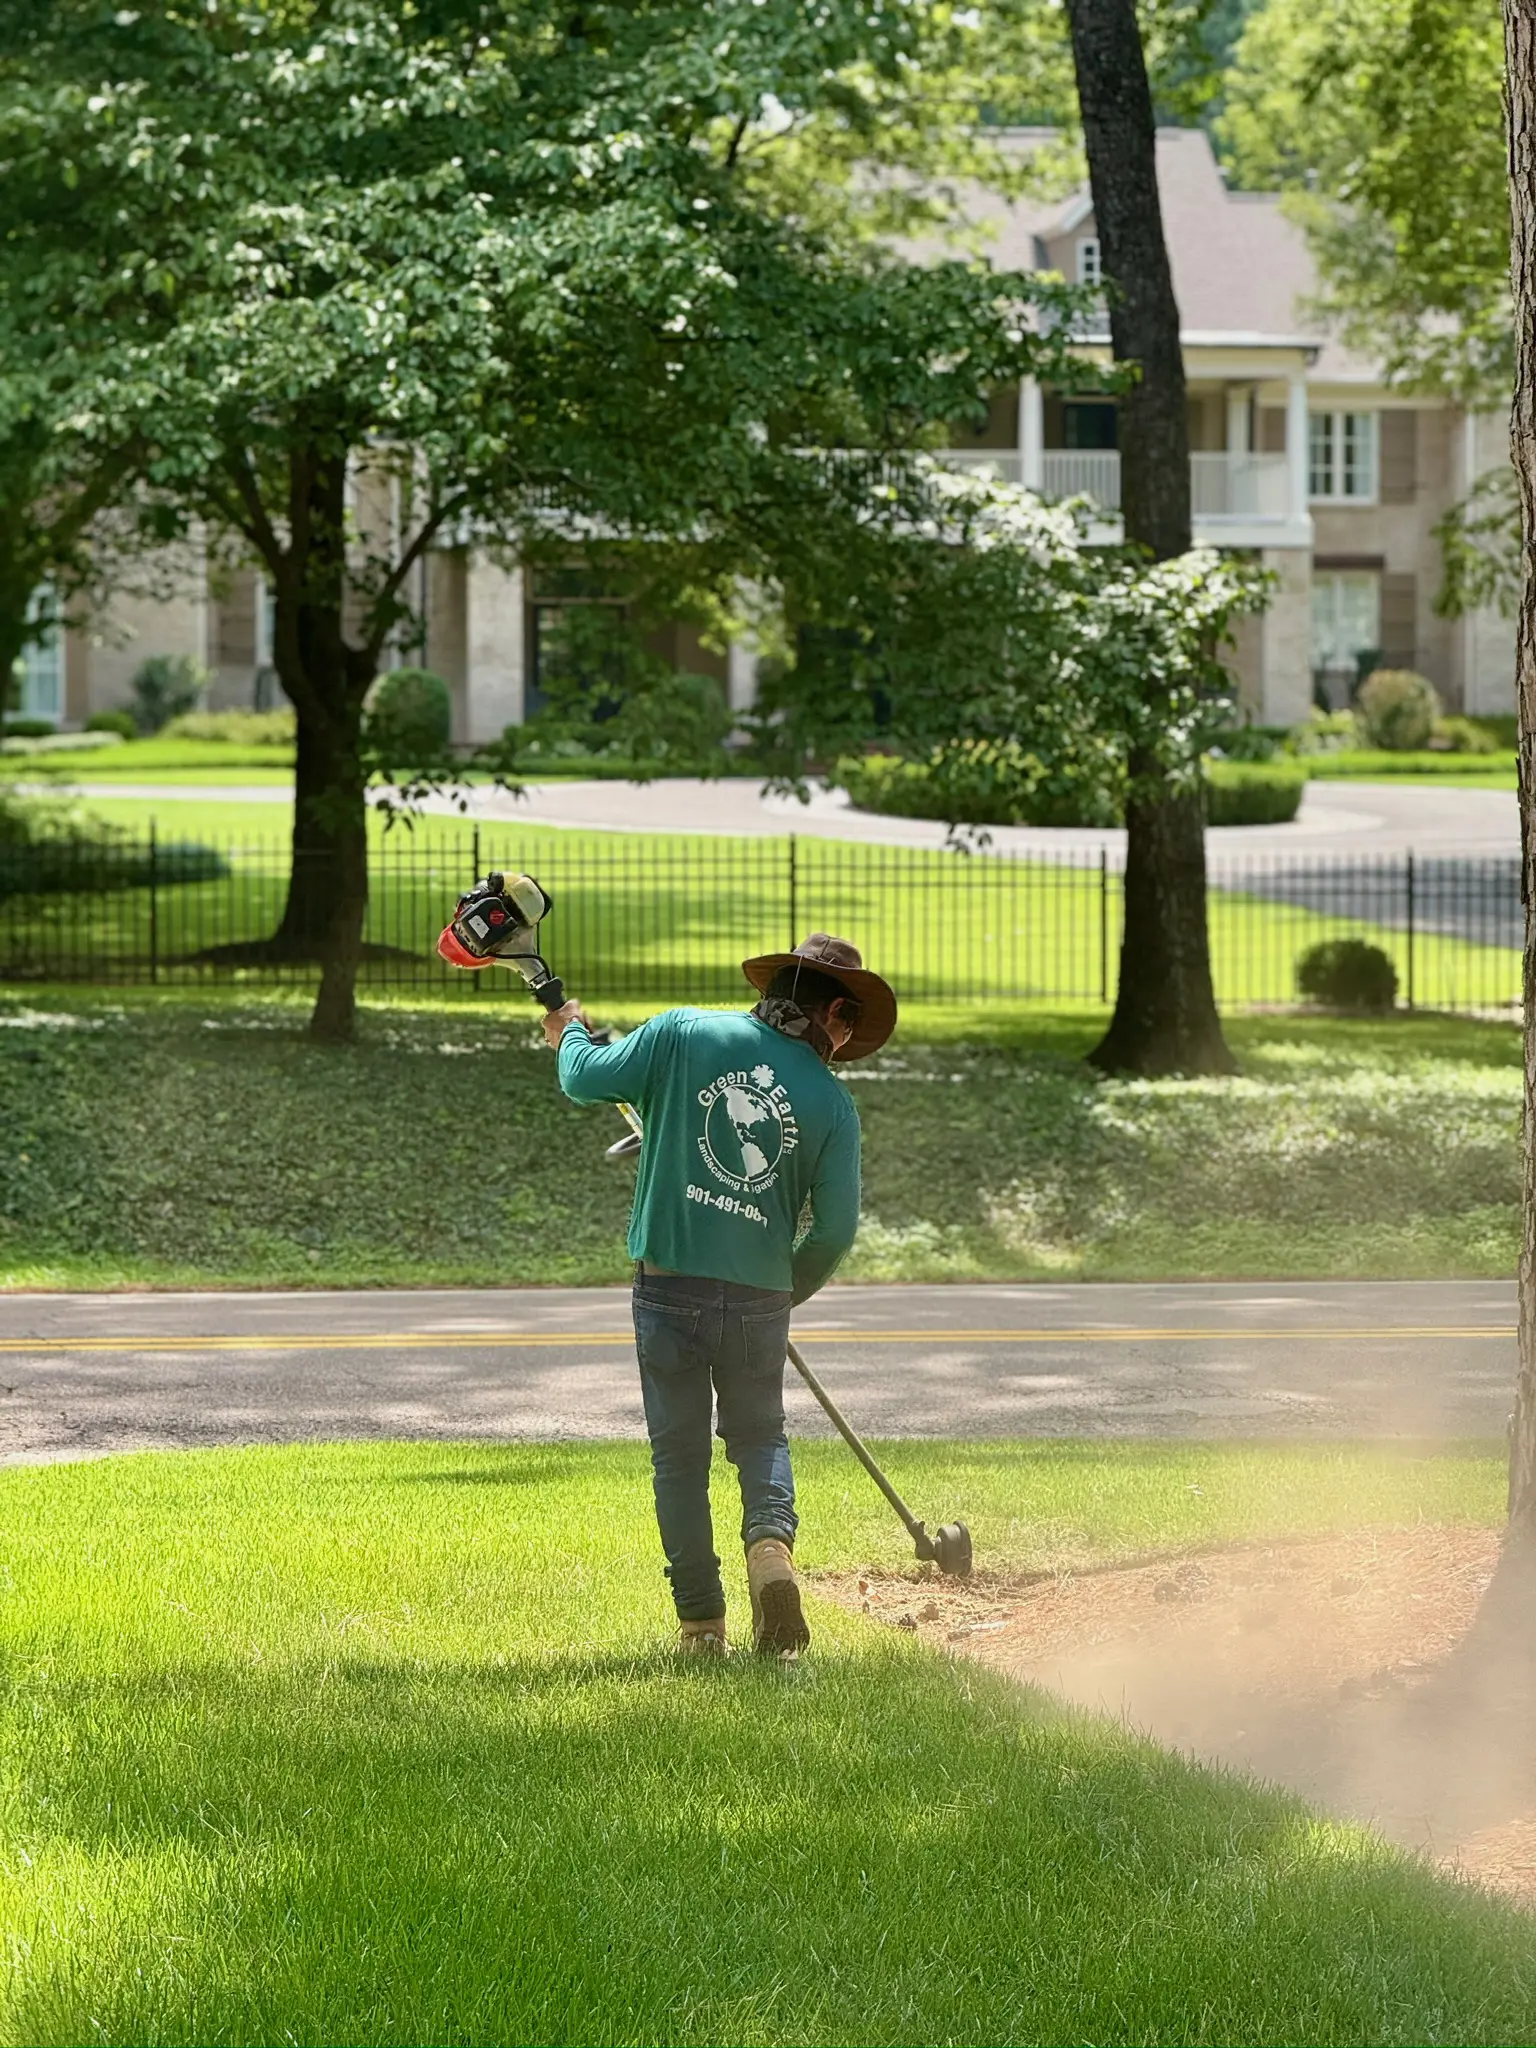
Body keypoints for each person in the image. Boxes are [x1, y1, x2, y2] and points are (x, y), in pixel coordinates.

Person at [542, 934, 897, 1658]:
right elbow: (834, 1231)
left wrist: (566, 1031)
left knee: (678, 1459)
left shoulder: (683, 1032)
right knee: (760, 1437)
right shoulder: (832, 1104)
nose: (847, 1040)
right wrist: (779, 1294)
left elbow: (582, 1079)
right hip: (757, 1298)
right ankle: (770, 1552)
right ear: (834, 1010)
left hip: (668, 1287)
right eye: (850, 1025)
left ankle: (702, 1627)